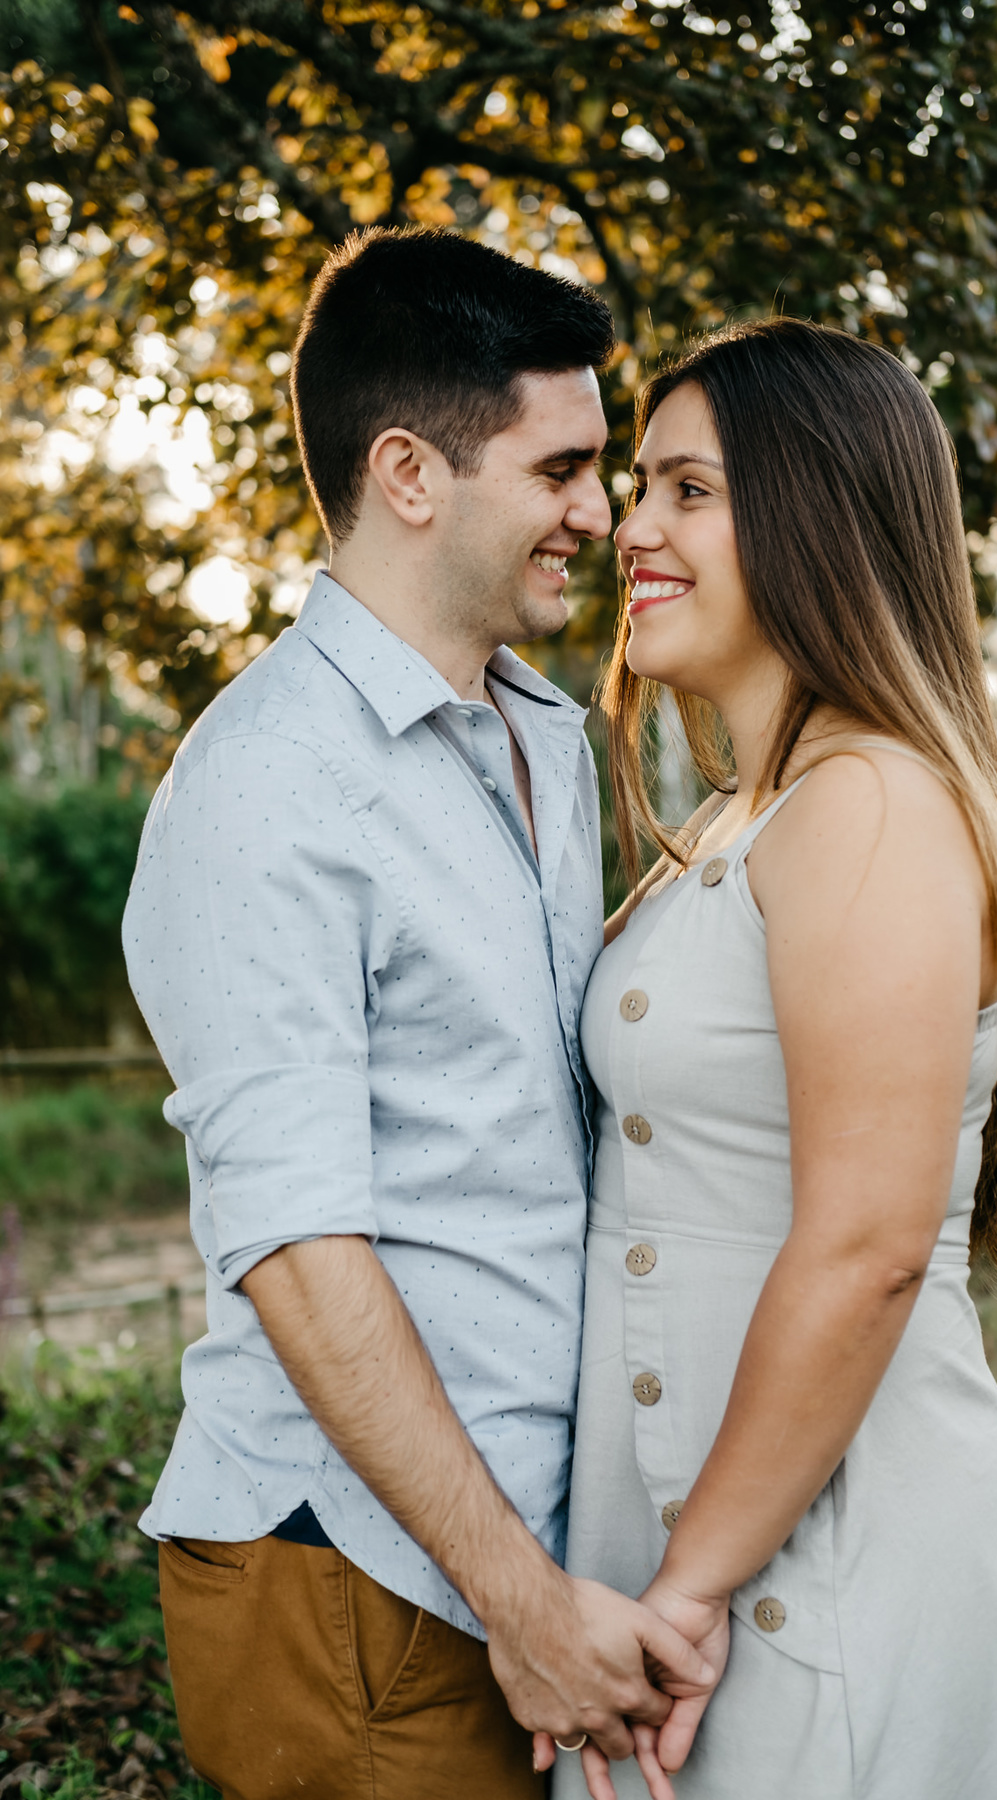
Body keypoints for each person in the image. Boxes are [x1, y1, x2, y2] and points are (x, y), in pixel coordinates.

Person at [122, 225, 714, 1800]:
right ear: (408, 474)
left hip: (526, 1550)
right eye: (563, 468)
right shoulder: (268, 782)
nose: (605, 512)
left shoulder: (543, 738)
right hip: (361, 1573)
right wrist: (519, 1602)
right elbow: (300, 1250)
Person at [549, 318, 997, 1800]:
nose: (630, 529)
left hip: (832, 1564)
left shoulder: (870, 803)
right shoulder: (742, 817)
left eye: (689, 491)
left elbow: (865, 1249)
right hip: (707, 1547)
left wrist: (692, 1587)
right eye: (640, 489)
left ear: (818, 520)